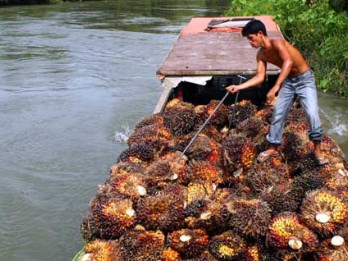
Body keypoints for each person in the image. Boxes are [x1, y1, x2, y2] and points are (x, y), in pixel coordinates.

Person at [226, 19, 328, 165]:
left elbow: (288, 62)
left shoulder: (278, 43)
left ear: (260, 34)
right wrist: (238, 87)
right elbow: (260, 77)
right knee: (278, 113)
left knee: (311, 113)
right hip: (289, 81)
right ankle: (273, 147)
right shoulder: (261, 54)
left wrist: (275, 87)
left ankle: (317, 150)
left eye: (251, 38)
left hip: (304, 79)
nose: (250, 43)